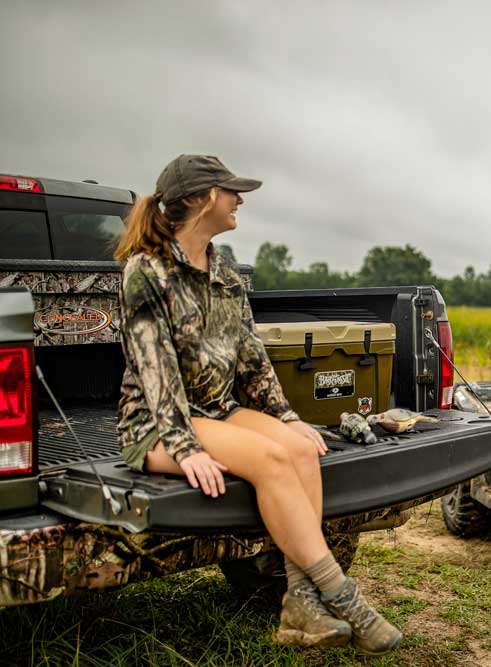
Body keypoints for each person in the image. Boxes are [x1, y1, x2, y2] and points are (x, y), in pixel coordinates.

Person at [114, 154, 402, 655]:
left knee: (300, 447)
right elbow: (153, 370)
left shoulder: (224, 270)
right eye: (231, 191)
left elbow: (252, 356)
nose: (239, 200)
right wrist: (185, 449)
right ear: (202, 197)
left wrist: (286, 416)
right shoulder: (147, 271)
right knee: (271, 460)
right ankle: (345, 598)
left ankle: (299, 603)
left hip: (217, 409)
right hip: (159, 425)